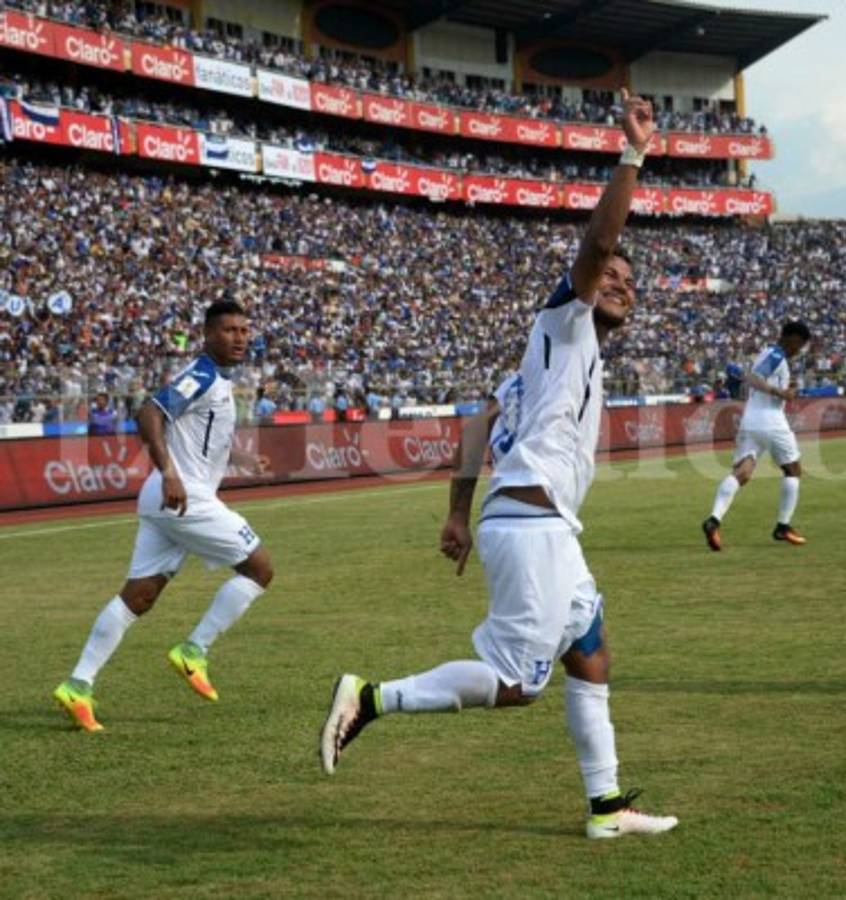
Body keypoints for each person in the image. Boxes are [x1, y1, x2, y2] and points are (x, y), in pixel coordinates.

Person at [319, 90, 678, 840]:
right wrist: (633, 154)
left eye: (629, 283)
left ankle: (606, 807)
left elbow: (478, 424)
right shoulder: (566, 321)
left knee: (590, 650)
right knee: (517, 685)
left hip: (539, 524)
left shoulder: (533, 372)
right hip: (534, 524)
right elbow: (592, 249)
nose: (619, 283)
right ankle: (371, 696)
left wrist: (455, 511)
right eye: (612, 274)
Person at [53, 301, 274, 731]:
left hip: (167, 498)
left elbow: (200, 441)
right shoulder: (204, 374)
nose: (240, 337)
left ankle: (77, 685)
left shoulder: (221, 382)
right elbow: (149, 412)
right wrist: (170, 472)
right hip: (182, 496)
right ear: (208, 335)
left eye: (245, 330)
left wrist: (242, 460)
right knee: (260, 568)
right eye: (229, 330)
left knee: (138, 596)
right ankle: (195, 651)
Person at [702, 321, 811, 551]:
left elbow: (757, 380)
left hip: (750, 420)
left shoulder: (767, 352)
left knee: (742, 472)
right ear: (792, 338)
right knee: (793, 470)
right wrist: (780, 392)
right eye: (799, 345)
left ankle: (714, 520)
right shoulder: (777, 354)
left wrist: (786, 390)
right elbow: (752, 378)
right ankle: (783, 526)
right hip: (771, 420)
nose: (798, 351)